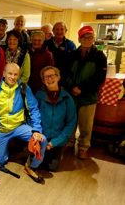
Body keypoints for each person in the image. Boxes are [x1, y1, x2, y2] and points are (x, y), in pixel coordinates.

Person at [0, 63, 47, 183]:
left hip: (19, 127)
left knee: (41, 140)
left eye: (16, 74)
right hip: (1, 130)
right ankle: (9, 153)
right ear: (4, 74)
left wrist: (36, 130)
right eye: (10, 73)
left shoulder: (24, 88)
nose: (12, 77)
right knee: (0, 162)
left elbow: (34, 109)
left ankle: (31, 166)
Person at [66, 26, 107, 159]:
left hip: (88, 96)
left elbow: (99, 78)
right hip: (72, 95)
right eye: (85, 37)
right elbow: (66, 74)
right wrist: (72, 87)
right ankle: (69, 142)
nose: (88, 39)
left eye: (90, 37)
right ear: (79, 39)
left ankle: (83, 147)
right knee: (70, 121)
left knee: (86, 125)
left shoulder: (99, 56)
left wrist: (82, 89)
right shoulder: (72, 54)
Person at [36, 66, 76, 171]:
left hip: (57, 140)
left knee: (51, 167)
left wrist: (55, 142)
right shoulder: (39, 96)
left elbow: (71, 123)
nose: (49, 79)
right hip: (42, 138)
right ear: (43, 81)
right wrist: (38, 135)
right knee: (37, 165)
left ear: (58, 77)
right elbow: (33, 117)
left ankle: (57, 153)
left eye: (52, 76)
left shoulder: (67, 98)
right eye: (46, 77)